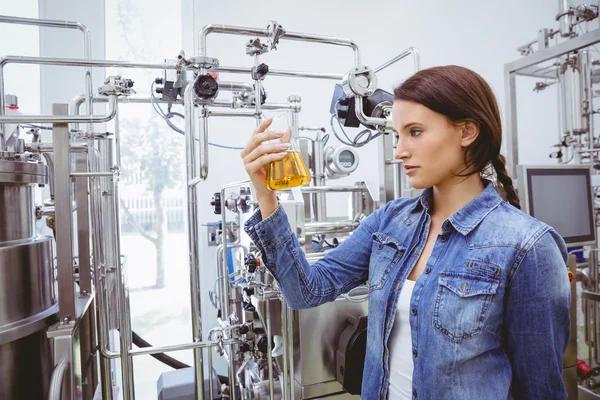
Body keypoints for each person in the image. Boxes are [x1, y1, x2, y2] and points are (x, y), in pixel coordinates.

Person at [240, 65, 571, 400]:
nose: (399, 151)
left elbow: (541, 389)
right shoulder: (390, 222)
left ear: (467, 132)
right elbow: (306, 291)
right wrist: (266, 195)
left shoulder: (528, 246)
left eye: (414, 132)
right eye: (397, 135)